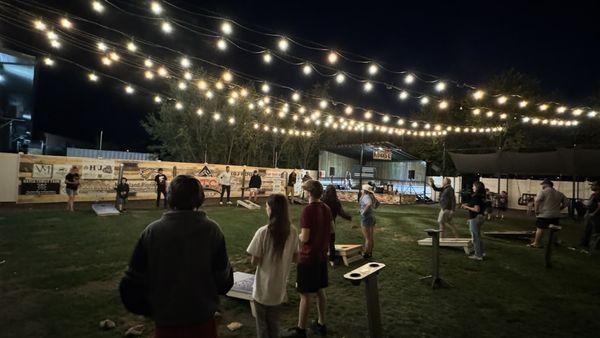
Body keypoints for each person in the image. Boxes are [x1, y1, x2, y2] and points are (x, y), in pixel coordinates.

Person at [120, 175, 233, 338]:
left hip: (167, 324)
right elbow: (224, 281)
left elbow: (130, 285)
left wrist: (152, 310)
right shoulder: (212, 231)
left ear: (169, 196)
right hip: (202, 322)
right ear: (200, 198)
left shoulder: (152, 232)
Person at [282, 180, 332, 338]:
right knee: (320, 290)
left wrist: (294, 237)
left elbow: (305, 237)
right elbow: (332, 229)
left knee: (304, 294)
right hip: (321, 257)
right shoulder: (326, 208)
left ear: (309, 193)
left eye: (305, 191)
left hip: (308, 257)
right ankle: (321, 323)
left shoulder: (308, 210)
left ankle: (301, 330)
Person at [247, 194, 299, 338]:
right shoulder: (293, 231)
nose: (266, 209)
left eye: (267, 206)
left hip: (262, 290)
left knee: (262, 328)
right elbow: (296, 258)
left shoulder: (263, 232)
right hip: (279, 290)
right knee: (274, 326)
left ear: (271, 209)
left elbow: (254, 261)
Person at [528, 179, 568, 248]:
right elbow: (566, 203)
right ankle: (555, 242)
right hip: (555, 215)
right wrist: (559, 209)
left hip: (544, 214)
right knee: (554, 230)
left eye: (543, 184)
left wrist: (536, 211)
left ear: (546, 184)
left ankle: (536, 243)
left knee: (540, 229)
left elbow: (537, 201)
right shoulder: (559, 193)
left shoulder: (543, 192)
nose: (542, 186)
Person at [322, 185, 352, 266]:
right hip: (331, 223)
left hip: (321, 223)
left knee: (322, 241)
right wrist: (348, 217)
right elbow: (341, 212)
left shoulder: (322, 200)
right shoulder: (336, 201)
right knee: (331, 242)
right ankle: (332, 260)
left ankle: (321, 258)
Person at [461, 181, 487, 260]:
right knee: (478, 236)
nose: (472, 187)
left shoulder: (476, 196)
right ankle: (481, 252)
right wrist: (467, 204)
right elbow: (477, 205)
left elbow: (476, 209)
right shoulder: (481, 196)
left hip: (475, 217)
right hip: (480, 217)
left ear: (477, 187)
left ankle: (478, 255)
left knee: (475, 237)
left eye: (474, 186)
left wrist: (466, 207)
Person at [360, 184, 379, 259]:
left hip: (366, 218)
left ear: (364, 190)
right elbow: (377, 205)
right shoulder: (371, 196)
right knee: (370, 237)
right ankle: (370, 253)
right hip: (371, 217)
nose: (361, 190)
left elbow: (369, 204)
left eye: (362, 189)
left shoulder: (366, 197)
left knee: (367, 238)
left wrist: (363, 212)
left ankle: (366, 254)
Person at [581, 181, 600, 249]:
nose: (591, 187)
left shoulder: (598, 195)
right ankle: (584, 243)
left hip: (596, 216)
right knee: (587, 229)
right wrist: (585, 204)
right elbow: (590, 204)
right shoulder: (594, 195)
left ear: (598, 186)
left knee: (596, 231)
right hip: (591, 215)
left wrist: (593, 213)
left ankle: (596, 245)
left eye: (593, 185)